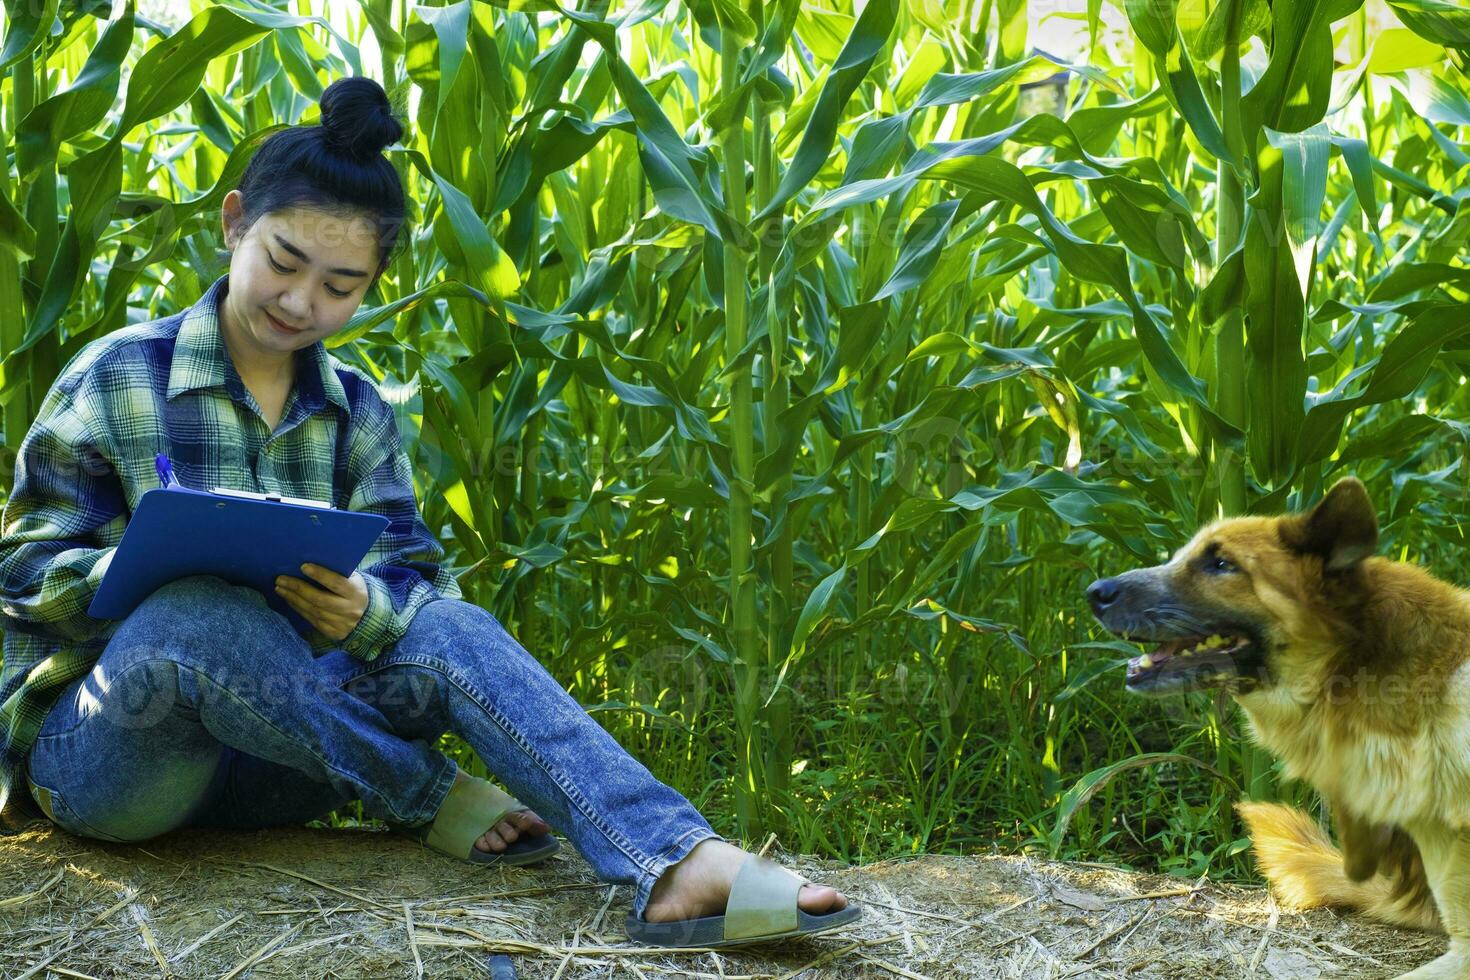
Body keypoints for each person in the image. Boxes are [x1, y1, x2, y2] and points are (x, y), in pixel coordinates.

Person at [0, 77, 855, 947]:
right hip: (120, 753)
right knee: (196, 614)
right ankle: (427, 795)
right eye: (283, 262)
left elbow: (415, 574)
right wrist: (142, 568)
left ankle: (676, 861)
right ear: (233, 226)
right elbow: (22, 572)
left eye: (340, 285)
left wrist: (370, 608)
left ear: (371, 284)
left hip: (287, 750)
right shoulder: (114, 378)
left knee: (450, 628)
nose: (301, 303)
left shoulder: (358, 413)